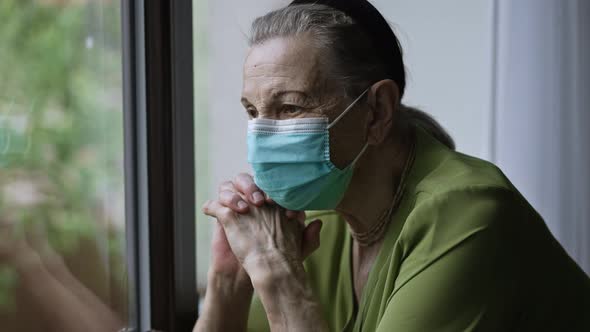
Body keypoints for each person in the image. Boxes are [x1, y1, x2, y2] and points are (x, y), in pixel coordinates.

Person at [193, 1, 590, 331]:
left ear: (377, 112)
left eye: (290, 107)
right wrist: (229, 279)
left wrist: (277, 271)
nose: (262, 136)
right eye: (253, 111)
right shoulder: (316, 222)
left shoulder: (467, 215)